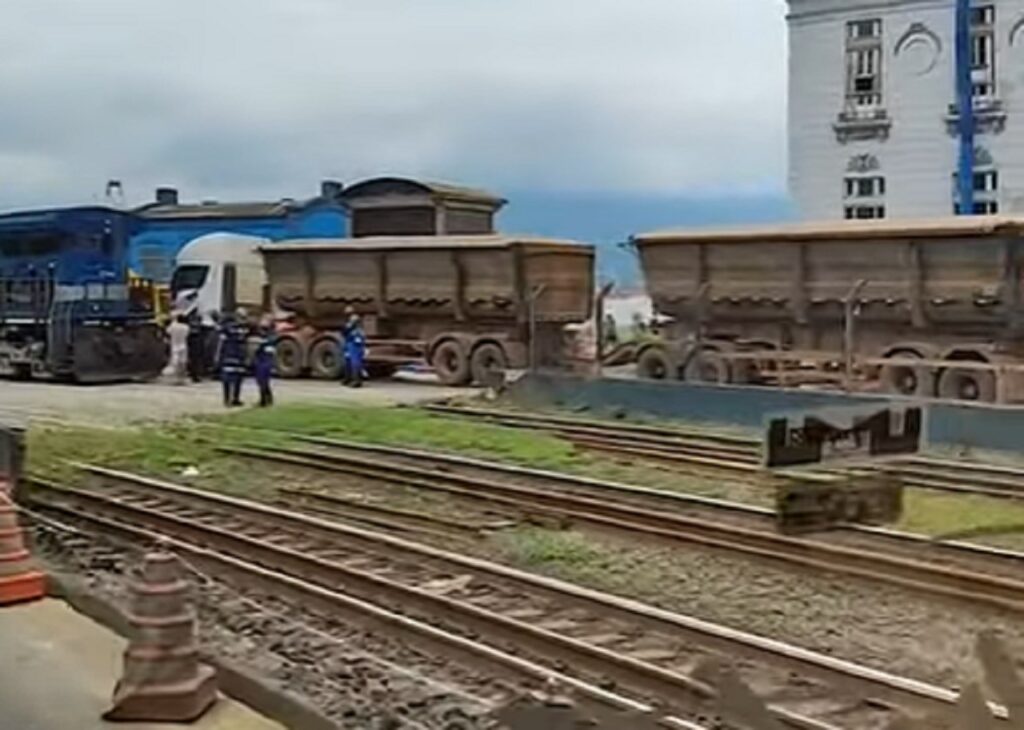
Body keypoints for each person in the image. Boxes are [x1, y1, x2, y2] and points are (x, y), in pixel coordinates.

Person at [216, 313, 247, 407]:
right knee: (238, 379)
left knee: (227, 380)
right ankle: (235, 399)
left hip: (228, 355)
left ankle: (227, 400)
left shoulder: (225, 330)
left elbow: (220, 344)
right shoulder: (242, 329)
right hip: (239, 356)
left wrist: (217, 357)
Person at [252, 325, 276, 407]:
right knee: (265, 382)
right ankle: (269, 399)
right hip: (268, 362)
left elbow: (256, 350)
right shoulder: (271, 341)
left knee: (262, 382)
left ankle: (263, 401)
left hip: (262, 362)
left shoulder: (264, 342)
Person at [342, 311, 367, 388]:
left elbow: (359, 341)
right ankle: (348, 379)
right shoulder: (352, 330)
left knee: (355, 364)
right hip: (350, 346)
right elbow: (344, 333)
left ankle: (357, 381)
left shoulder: (358, 331)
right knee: (348, 362)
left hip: (355, 347)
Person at [165, 314, 190, 385]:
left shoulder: (173, 326)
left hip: (175, 345)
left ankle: (176, 379)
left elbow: (167, 331)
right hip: (183, 345)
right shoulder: (186, 327)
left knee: (175, 363)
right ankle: (182, 378)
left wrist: (172, 320)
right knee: (183, 363)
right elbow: (187, 335)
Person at [186, 311, 205, 382]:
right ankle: (195, 375)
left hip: (194, 349)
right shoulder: (198, 331)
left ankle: (195, 375)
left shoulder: (191, 330)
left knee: (194, 361)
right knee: (196, 362)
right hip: (196, 349)